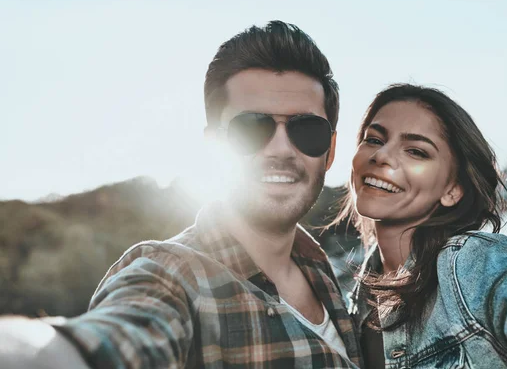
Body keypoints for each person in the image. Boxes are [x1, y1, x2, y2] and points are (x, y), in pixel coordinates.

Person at [0, 21, 362, 368]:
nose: (281, 149)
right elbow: (111, 339)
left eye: (308, 130)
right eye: (252, 127)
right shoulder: (172, 277)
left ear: (330, 151)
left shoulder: (323, 269)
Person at [332, 84, 507, 368]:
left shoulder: (468, 264)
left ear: (453, 190)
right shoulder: (356, 298)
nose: (382, 156)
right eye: (374, 139)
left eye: (416, 151)